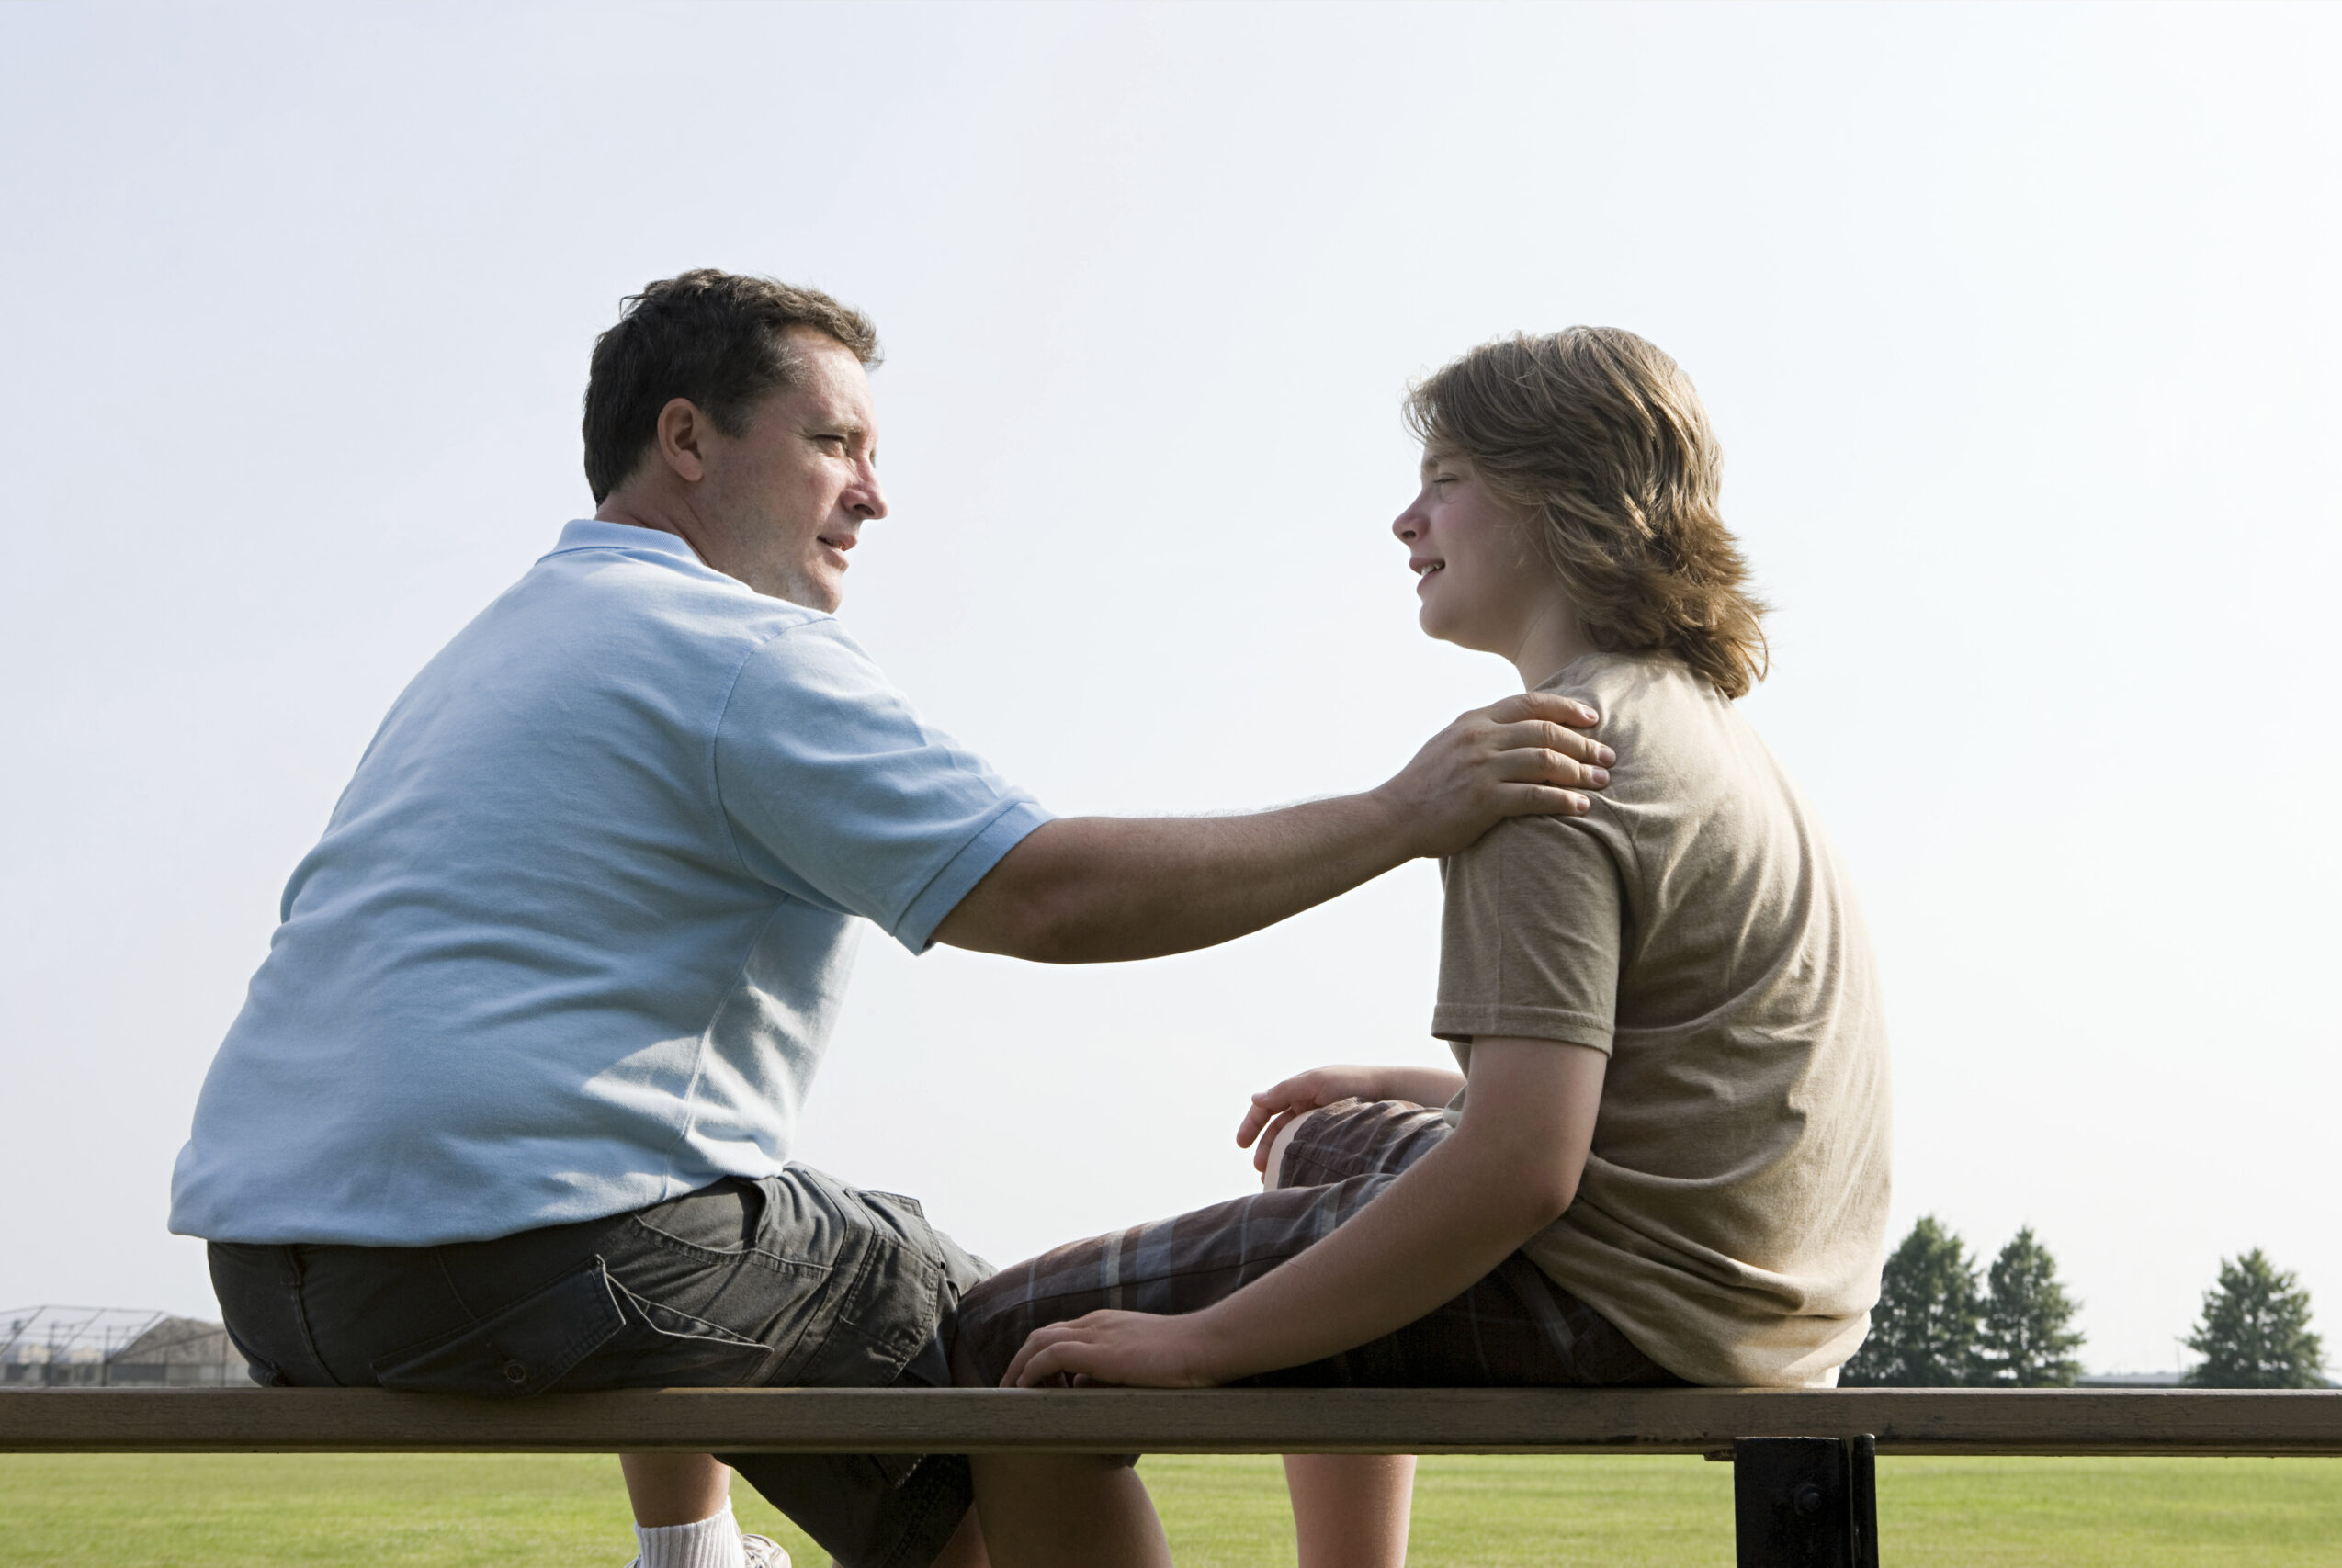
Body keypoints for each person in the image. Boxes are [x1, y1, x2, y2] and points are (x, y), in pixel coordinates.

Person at [165, 270, 1617, 1568]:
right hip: (510, 1257)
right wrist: (1404, 811)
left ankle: (686, 1556)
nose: (874, 493)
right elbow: (1048, 895)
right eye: (834, 443)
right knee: (1014, 1359)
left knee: (753, 1199)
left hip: (284, 1277)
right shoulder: (732, 657)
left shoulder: (498, 649)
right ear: (686, 441)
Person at [950, 326, 1894, 1568]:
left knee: (1017, 1334)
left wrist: (1200, 1343)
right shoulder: (1698, 726)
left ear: (1560, 502)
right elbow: (1699, 1078)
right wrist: (1426, 1092)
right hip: (1772, 1296)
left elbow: (1518, 1177)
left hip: (1628, 1300)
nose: (1407, 520)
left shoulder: (1539, 763)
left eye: (1446, 479)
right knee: (1311, 1142)